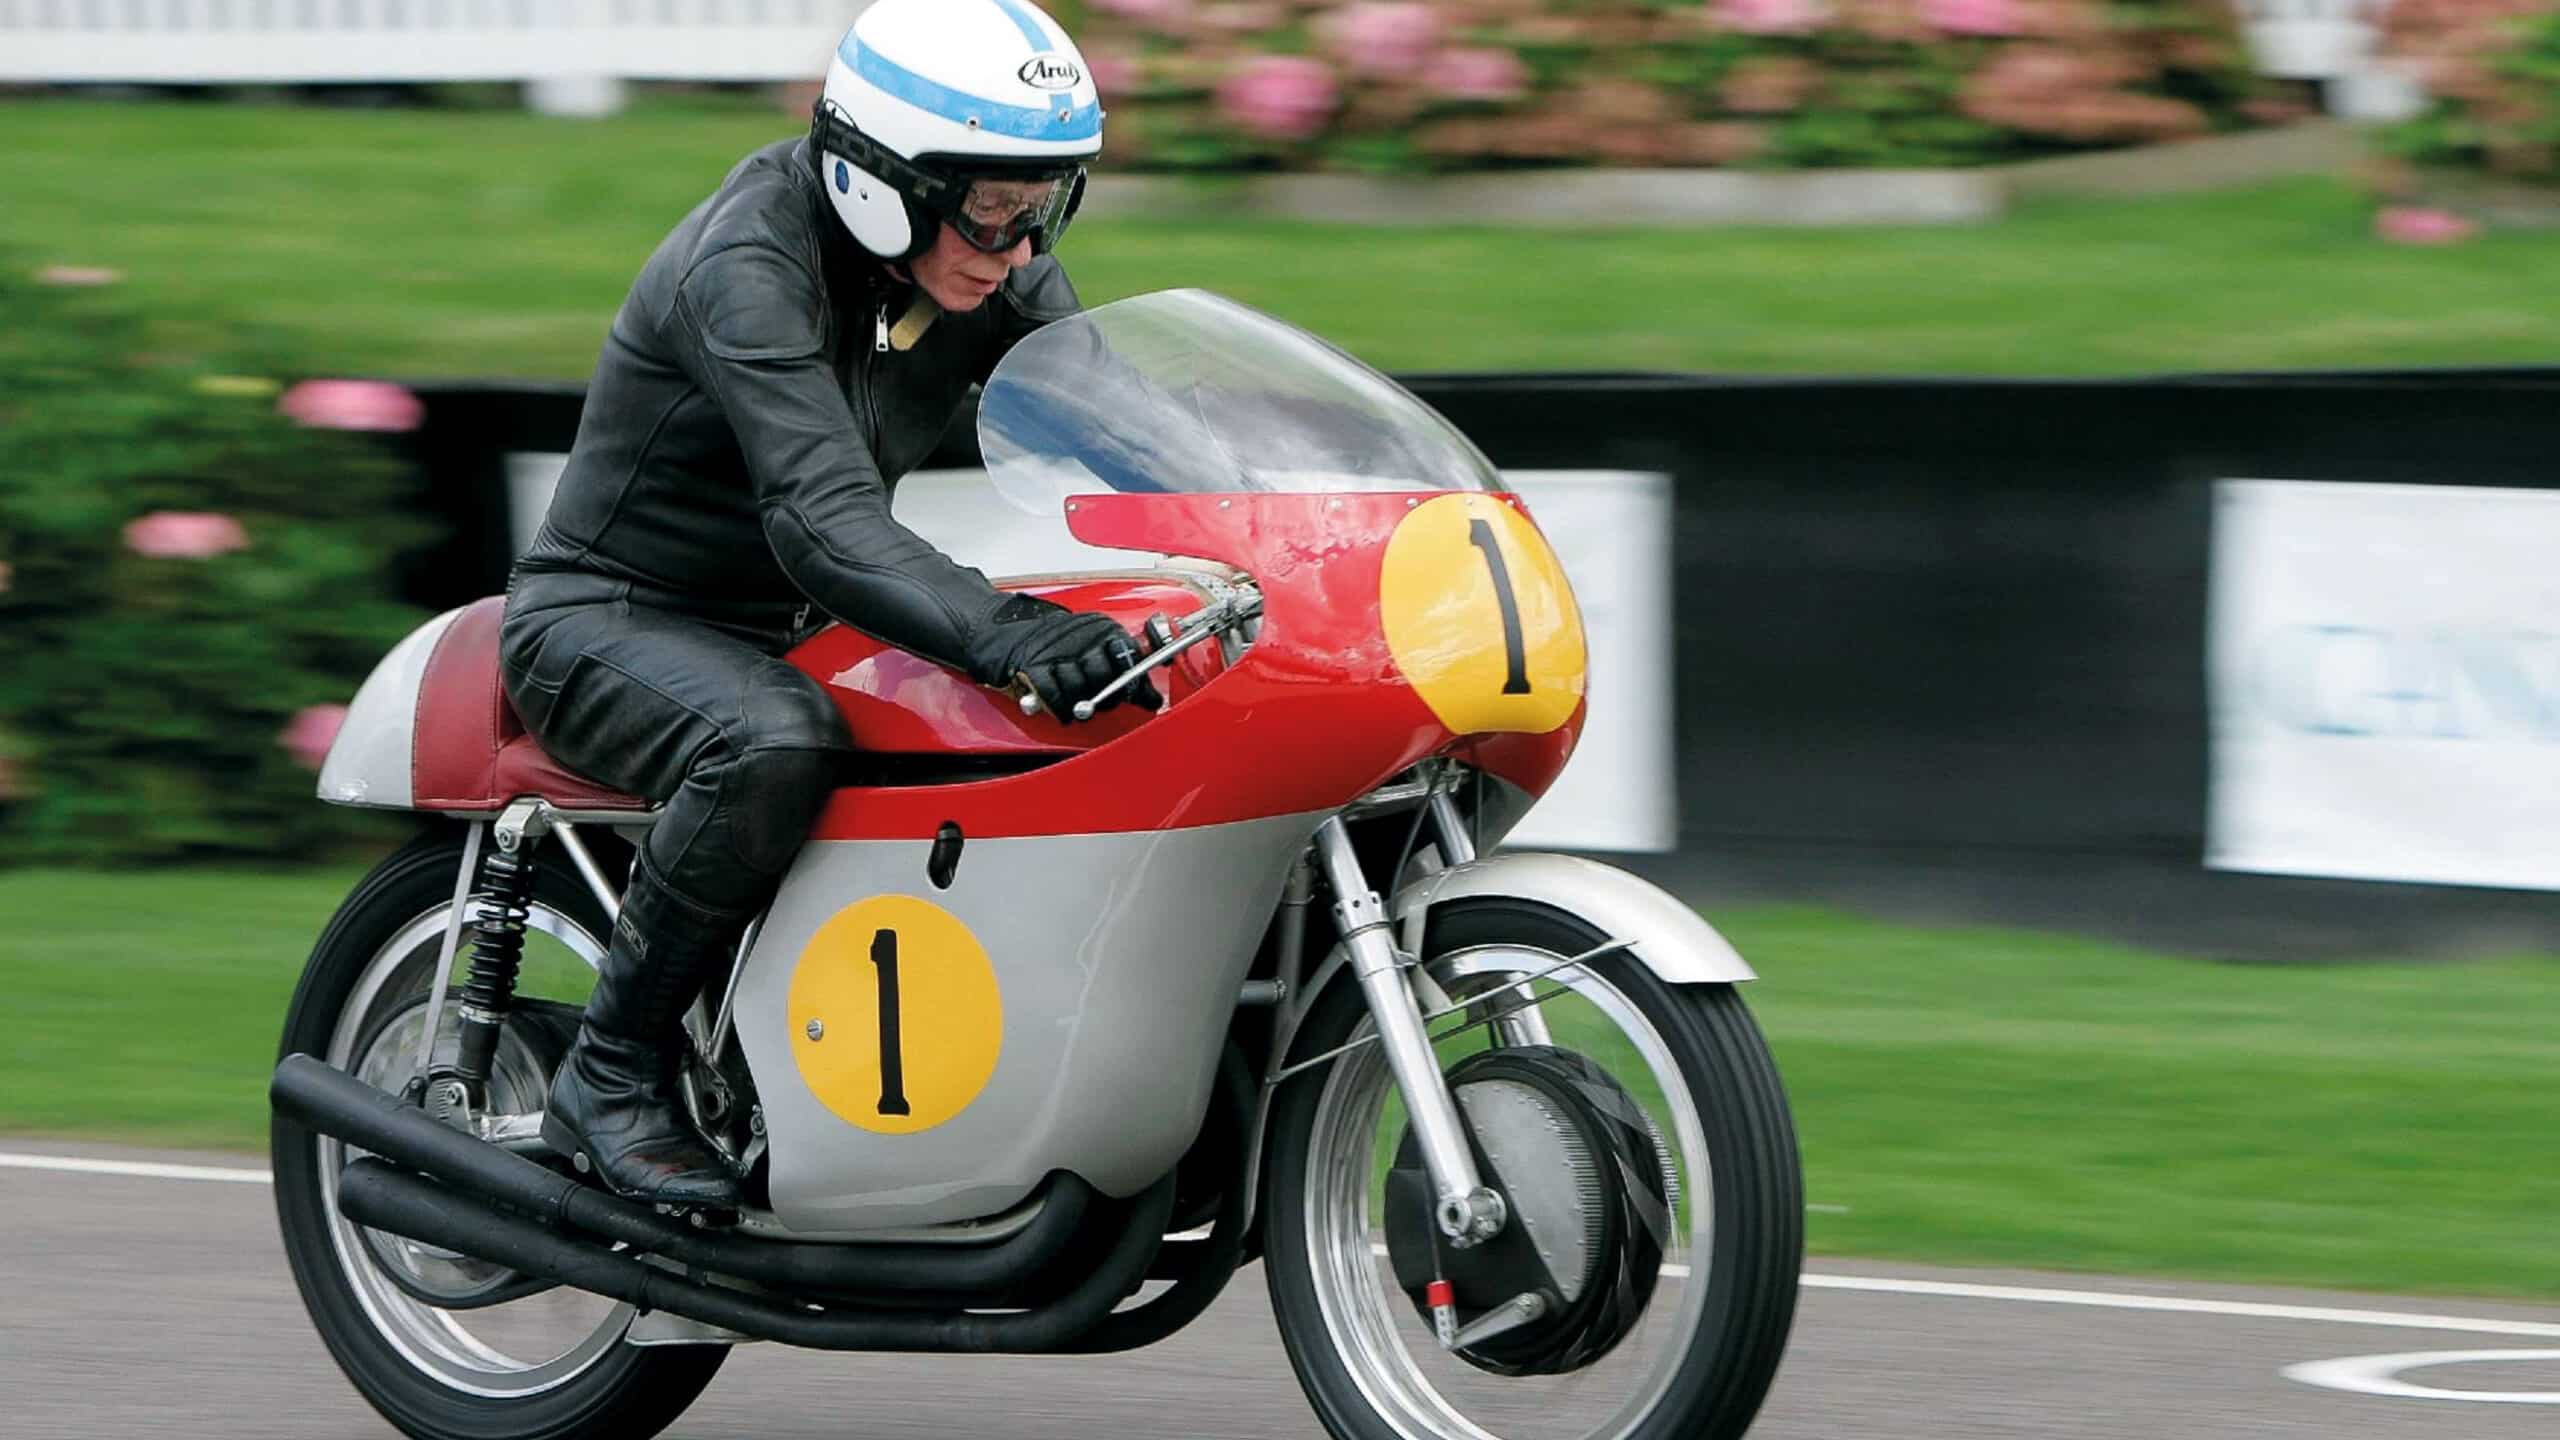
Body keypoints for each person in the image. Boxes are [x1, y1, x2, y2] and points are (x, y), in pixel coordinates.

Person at [499, 0, 1147, 1209]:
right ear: (877, 180)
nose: (1014, 246)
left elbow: (1124, 433)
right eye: (989, 203)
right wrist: (1011, 632)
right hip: (609, 619)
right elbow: (823, 521)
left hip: (794, 628)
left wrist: (1284, 538)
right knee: (771, 737)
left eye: (1039, 202)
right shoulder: (746, 266)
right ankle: (610, 1072)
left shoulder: (985, 266)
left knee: (999, 745)